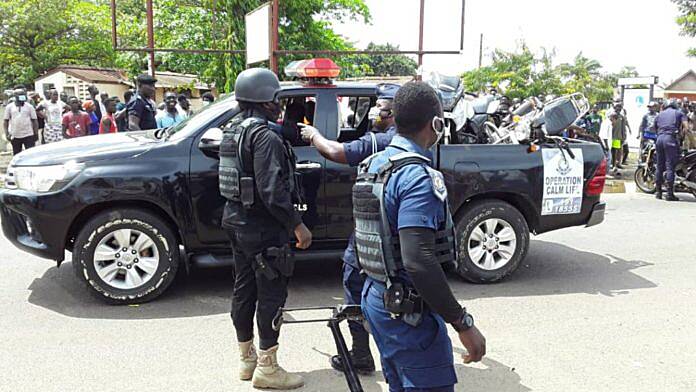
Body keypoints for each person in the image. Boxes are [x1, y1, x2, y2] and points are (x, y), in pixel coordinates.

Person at [354, 81, 486, 391]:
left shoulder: (373, 166)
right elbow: (419, 261)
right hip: (408, 315)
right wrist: (463, 324)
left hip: (377, 300)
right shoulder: (416, 177)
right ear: (436, 123)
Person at [219, 68, 312, 390]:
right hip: (263, 228)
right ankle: (268, 369)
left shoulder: (233, 130)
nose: (279, 104)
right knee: (271, 294)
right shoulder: (265, 137)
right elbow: (272, 190)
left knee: (244, 290)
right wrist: (298, 226)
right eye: (277, 99)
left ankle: (247, 361)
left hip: (236, 221)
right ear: (267, 100)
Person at [298, 83, 400, 375]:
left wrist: (313, 134)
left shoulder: (383, 141)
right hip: (396, 229)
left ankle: (360, 354)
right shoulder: (406, 140)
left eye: (379, 107)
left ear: (392, 111)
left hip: (374, 231)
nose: (373, 112)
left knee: (355, 283)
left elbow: (335, 151)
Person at [652, 99, 688, 201]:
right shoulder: (679, 113)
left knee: (659, 166)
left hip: (659, 139)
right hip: (670, 140)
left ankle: (658, 192)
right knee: (670, 166)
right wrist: (682, 137)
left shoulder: (659, 114)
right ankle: (669, 194)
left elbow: (654, 127)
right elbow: (685, 127)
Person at [3, 88, 38, 155]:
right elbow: (6, 121)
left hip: (28, 135)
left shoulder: (29, 107)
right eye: (20, 94)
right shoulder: (9, 107)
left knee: (31, 154)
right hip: (15, 135)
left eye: (23, 94)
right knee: (17, 154)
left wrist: (35, 133)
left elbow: (34, 120)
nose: (23, 96)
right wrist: (7, 133)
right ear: (15, 96)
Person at [609, 102, 630, 174]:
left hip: (619, 137)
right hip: (612, 137)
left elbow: (623, 127)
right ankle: (612, 164)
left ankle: (617, 164)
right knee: (613, 151)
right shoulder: (611, 116)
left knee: (618, 151)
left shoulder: (622, 116)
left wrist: (624, 136)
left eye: (620, 107)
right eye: (617, 107)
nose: (618, 108)